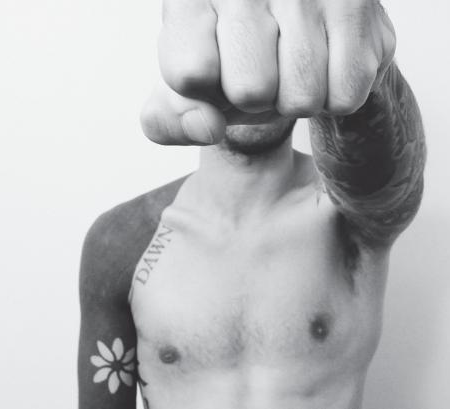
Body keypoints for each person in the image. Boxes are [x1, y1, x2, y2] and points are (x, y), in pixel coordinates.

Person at [78, 0, 426, 408]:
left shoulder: (348, 215)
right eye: (231, 46)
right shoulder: (122, 242)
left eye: (277, 44)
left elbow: (390, 173)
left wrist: (373, 73)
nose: (253, 66)